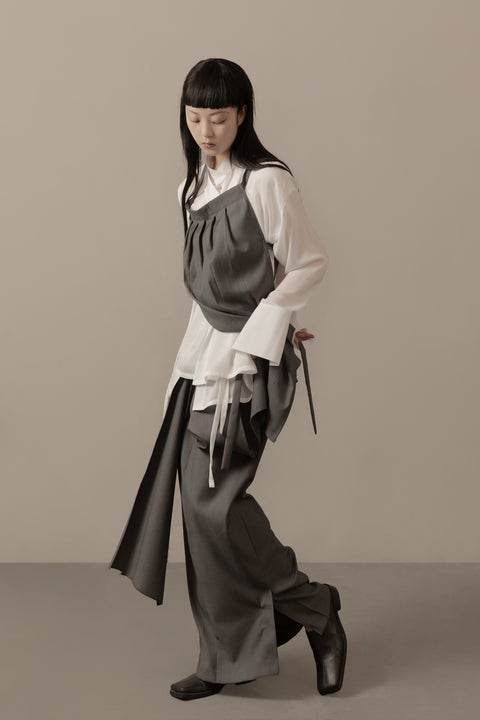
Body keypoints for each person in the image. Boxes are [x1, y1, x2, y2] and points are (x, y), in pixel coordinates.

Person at [109, 58, 347, 701]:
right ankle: (260, 635)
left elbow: (307, 262)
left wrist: (269, 328)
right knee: (202, 511)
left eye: (218, 117)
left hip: (245, 365)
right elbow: (209, 292)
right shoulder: (190, 188)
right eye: (195, 118)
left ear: (243, 114)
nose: (206, 130)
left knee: (214, 505)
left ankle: (311, 606)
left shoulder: (266, 182)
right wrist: (186, 368)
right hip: (201, 363)